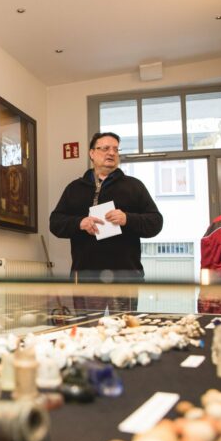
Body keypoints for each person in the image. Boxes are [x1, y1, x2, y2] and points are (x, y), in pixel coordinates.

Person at [49, 132, 162, 311]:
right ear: (92, 153)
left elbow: (156, 222)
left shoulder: (134, 186)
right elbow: (55, 223)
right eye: (105, 148)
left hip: (125, 277)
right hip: (86, 277)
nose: (111, 153)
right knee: (88, 332)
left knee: (124, 332)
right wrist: (80, 223)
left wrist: (128, 219)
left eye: (116, 149)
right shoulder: (74, 188)